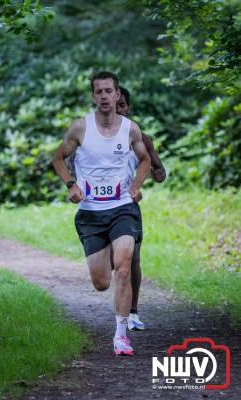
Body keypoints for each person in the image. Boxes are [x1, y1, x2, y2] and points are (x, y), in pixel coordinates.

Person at [53, 71, 151, 356]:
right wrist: (71, 184)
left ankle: (121, 336)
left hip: (122, 209)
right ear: (94, 95)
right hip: (91, 214)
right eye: (99, 92)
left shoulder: (130, 129)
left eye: (109, 91)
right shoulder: (80, 128)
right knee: (101, 282)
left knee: (124, 267)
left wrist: (135, 186)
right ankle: (108, 248)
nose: (105, 96)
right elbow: (58, 158)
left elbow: (144, 160)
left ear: (118, 94)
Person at [116, 86, 166, 332]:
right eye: (115, 105)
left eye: (122, 105)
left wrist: (148, 177)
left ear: (128, 107)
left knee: (133, 259)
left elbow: (159, 171)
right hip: (99, 209)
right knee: (109, 267)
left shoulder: (141, 138)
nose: (118, 109)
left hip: (128, 207)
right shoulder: (93, 136)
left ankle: (132, 312)